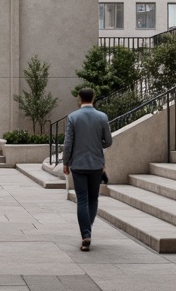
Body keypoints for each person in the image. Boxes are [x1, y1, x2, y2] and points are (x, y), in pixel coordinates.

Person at [62, 87, 112, 251]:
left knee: (82, 199)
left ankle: (86, 234)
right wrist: (99, 144)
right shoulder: (102, 117)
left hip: (78, 164)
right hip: (96, 164)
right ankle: (87, 230)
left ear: (79, 98)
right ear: (94, 98)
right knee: (93, 198)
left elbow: (68, 143)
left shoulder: (73, 117)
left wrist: (65, 162)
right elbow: (108, 141)